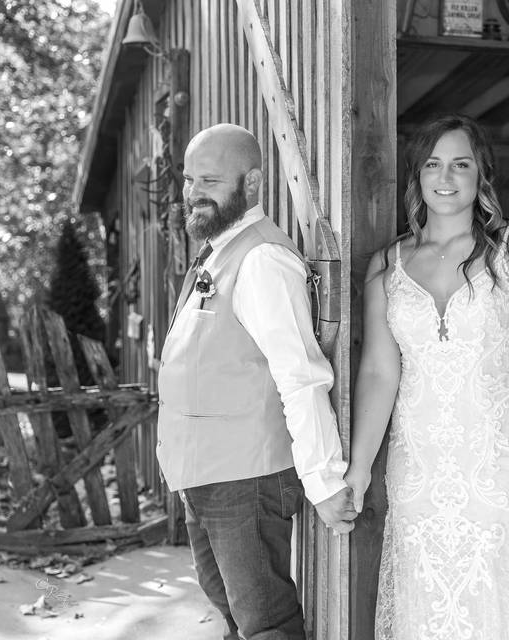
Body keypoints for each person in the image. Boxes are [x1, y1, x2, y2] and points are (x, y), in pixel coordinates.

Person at [345, 114, 509, 639]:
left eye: (460, 164)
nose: (445, 176)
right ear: (417, 177)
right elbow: (380, 372)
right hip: (420, 471)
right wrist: (359, 466)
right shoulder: (387, 265)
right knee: (426, 605)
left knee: (499, 603)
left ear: (481, 176)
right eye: (432, 164)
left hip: (503, 464)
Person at [156, 123, 356, 640]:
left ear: (251, 184)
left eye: (210, 180)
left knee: (264, 620)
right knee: (229, 608)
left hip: (245, 479)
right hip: (206, 475)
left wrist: (325, 480)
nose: (193, 193)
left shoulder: (263, 258)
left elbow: (301, 374)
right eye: (188, 180)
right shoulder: (218, 251)